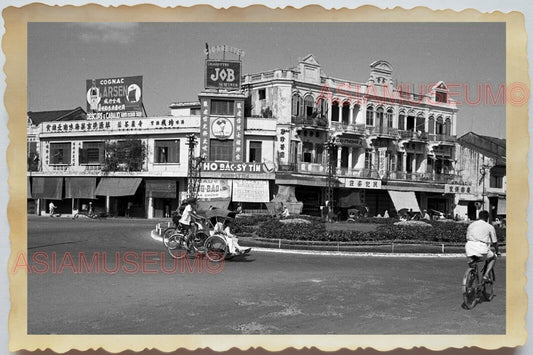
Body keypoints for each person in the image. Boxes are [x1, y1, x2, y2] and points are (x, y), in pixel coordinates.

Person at [465, 210, 500, 282]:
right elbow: (495, 242)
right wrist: (497, 251)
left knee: (473, 265)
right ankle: (486, 275)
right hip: (481, 249)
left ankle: (470, 281)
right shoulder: (489, 227)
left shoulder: (471, 225)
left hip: (469, 247)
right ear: (487, 218)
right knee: (493, 258)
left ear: (478, 217)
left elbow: (467, 237)